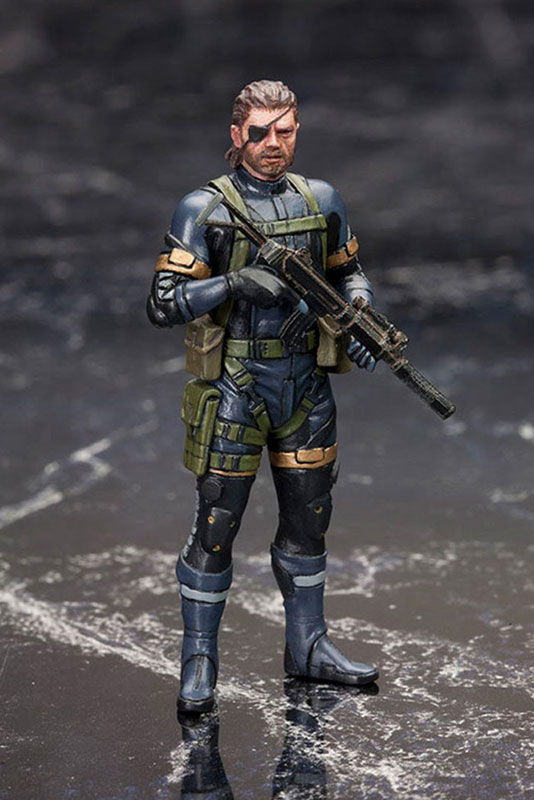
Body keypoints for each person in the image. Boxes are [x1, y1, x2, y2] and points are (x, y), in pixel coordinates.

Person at [147, 80, 379, 714]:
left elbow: (349, 271)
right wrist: (232, 285)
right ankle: (199, 659)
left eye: (285, 130)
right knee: (216, 525)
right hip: (236, 387)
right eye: (259, 132)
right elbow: (163, 304)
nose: (273, 143)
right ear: (236, 135)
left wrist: (359, 313)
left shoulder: (321, 200)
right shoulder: (205, 209)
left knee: (309, 521)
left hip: (306, 388)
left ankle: (309, 645)